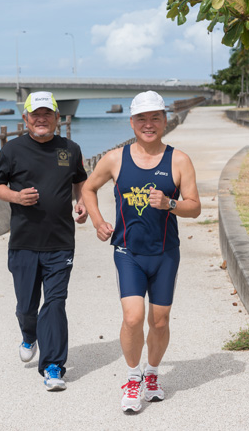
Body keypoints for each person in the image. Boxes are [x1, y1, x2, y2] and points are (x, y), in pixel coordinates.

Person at [82, 90, 201, 412]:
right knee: (133, 318)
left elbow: (195, 208)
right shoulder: (115, 159)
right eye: (141, 119)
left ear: (163, 120)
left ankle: (152, 374)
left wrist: (170, 203)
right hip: (127, 252)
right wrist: (97, 221)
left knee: (159, 321)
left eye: (155, 118)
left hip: (165, 253)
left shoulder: (178, 160)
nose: (148, 125)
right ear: (132, 122)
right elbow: (88, 188)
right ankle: (133, 378)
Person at [0, 91, 88, 391]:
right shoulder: (12, 150)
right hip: (23, 242)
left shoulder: (70, 149)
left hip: (60, 242)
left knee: (56, 303)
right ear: (26, 119)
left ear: (58, 118)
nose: (41, 119)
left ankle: (54, 366)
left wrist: (81, 202)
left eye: (48, 114)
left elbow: (80, 180)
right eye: (36, 114)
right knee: (26, 307)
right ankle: (28, 333)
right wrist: (17, 197)